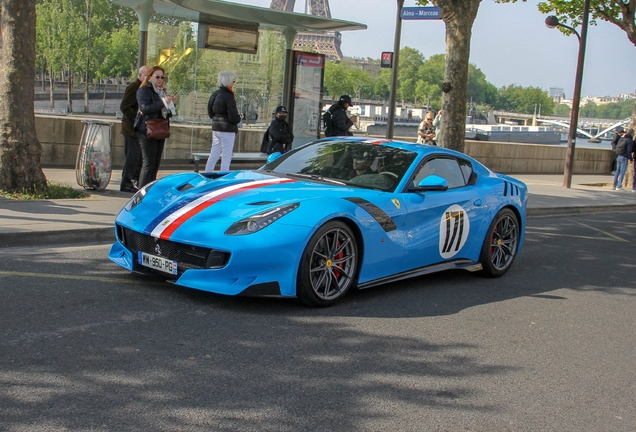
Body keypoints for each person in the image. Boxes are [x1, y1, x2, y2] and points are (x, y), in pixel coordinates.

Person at [133, 66, 177, 188]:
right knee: (148, 163)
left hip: (160, 128)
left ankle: (150, 190)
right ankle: (142, 193)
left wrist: (171, 104)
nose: (160, 79)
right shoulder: (144, 90)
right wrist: (163, 102)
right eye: (157, 76)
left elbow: (167, 113)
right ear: (150, 77)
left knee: (155, 164)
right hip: (146, 128)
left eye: (162, 77)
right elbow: (145, 108)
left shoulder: (161, 91)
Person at [119, 65, 149, 193]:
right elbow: (125, 106)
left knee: (138, 158)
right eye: (147, 76)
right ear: (140, 75)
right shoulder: (134, 87)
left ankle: (134, 181)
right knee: (132, 157)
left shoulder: (144, 88)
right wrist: (136, 118)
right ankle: (126, 183)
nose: (148, 78)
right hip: (131, 128)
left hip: (137, 129)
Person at [205, 71, 241, 171]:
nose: (234, 83)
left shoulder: (214, 94)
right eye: (233, 81)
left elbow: (210, 113)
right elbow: (233, 117)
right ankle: (224, 178)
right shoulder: (229, 96)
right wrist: (239, 117)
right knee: (226, 157)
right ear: (229, 82)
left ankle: (207, 175)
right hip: (228, 130)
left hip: (216, 128)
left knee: (213, 155)